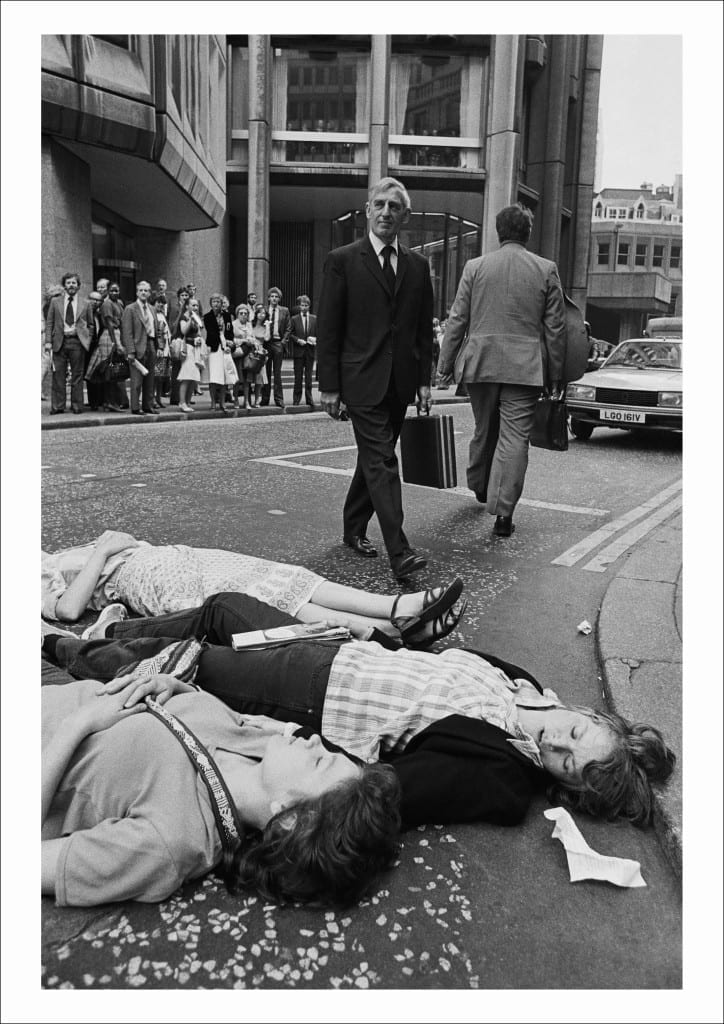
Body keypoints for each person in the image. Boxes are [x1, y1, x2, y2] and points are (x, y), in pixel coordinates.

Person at [47, 591, 676, 831]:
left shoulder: (503, 777)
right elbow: (430, 662)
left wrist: (287, 789)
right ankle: (110, 635)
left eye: (564, 765)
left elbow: (388, 791)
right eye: (574, 735)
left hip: (316, 693)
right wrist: (371, 631)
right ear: (594, 715)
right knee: (224, 609)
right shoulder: (529, 685)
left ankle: (65, 647)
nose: (554, 746)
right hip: (335, 649)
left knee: (178, 664)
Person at [41, 661, 401, 908]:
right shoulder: (257, 743)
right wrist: (172, 685)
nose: (315, 742)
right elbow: (192, 718)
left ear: (290, 817)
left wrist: (78, 725)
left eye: (320, 761)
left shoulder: (171, 841)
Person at [41, 530, 465, 647]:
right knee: (257, 598)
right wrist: (103, 549)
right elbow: (67, 611)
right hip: (143, 576)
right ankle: (389, 628)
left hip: (167, 556)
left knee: (278, 575)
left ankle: (397, 611)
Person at [316, 177, 434, 580]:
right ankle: (399, 552)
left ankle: (353, 527)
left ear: (406, 216)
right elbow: (329, 327)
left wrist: (424, 381)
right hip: (360, 380)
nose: (386, 212)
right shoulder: (343, 260)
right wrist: (328, 385)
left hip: (400, 382)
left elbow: (421, 330)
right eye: (379, 205)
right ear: (368, 211)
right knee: (383, 460)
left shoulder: (419, 266)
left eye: (394, 207)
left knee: (373, 458)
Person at [437, 203, 566, 538]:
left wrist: (444, 366)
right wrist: (555, 377)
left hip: (480, 362)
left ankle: (480, 486)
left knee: (484, 428)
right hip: (525, 367)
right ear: (527, 233)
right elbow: (555, 329)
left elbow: (457, 320)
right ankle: (503, 514)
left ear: (498, 232)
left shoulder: (476, 267)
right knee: (514, 437)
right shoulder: (545, 269)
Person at [45, 272, 92, 414]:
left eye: (74, 283)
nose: (71, 285)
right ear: (64, 285)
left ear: (78, 286)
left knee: (77, 375)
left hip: (77, 342)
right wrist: (48, 341)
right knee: (58, 375)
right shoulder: (55, 302)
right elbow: (49, 323)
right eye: (68, 282)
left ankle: (77, 405)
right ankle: (58, 406)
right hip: (60, 341)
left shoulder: (86, 303)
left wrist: (87, 338)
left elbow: (91, 324)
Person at [121, 281, 158, 415]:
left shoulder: (152, 309)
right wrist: (130, 351)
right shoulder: (130, 309)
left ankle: (148, 405)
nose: (143, 293)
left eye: (146, 290)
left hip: (151, 344)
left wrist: (157, 345)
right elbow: (127, 332)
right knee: (136, 380)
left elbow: (156, 328)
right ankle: (136, 407)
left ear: (149, 293)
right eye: (141, 290)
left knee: (150, 379)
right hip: (137, 347)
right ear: (137, 292)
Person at [203, 293, 235, 412]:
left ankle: (222, 402)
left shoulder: (227, 316)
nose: (216, 304)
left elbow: (230, 331)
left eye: (218, 302)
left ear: (222, 304)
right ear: (211, 303)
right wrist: (223, 342)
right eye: (214, 302)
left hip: (225, 349)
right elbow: (211, 333)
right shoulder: (207, 317)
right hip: (214, 348)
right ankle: (212, 402)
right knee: (213, 377)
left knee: (223, 376)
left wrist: (230, 342)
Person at [176, 297, 205, 413]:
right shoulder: (184, 317)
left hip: (195, 349)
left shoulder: (197, 318)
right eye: (193, 305)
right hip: (187, 349)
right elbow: (183, 331)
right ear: (187, 306)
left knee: (194, 377)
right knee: (187, 376)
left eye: (197, 305)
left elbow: (198, 332)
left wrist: (198, 338)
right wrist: (191, 319)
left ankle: (187, 401)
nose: (195, 308)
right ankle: (182, 402)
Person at [265, 286, 291, 408]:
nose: (274, 299)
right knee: (266, 372)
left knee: (277, 373)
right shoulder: (264, 310)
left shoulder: (284, 310)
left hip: (277, 343)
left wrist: (283, 342)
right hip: (266, 343)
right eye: (272, 296)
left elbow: (288, 328)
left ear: (279, 299)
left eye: (276, 297)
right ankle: (264, 399)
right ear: (269, 298)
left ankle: (279, 399)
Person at [290, 294, 317, 408]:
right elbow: (290, 334)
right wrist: (297, 340)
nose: (304, 307)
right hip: (299, 351)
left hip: (310, 350)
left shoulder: (314, 319)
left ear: (309, 306)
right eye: (302, 305)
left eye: (306, 305)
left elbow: (319, 333)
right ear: (299, 306)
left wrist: (315, 339)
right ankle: (296, 398)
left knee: (309, 376)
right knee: (298, 376)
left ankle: (309, 398)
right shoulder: (294, 319)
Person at [41, 284, 64, 401]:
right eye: (55, 295)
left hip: (47, 336)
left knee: (45, 363)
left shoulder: (49, 305)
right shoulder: (49, 307)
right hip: (45, 337)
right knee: (45, 363)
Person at [231, 303, 256, 408]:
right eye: (241, 313)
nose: (243, 315)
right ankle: (236, 399)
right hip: (238, 354)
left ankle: (246, 401)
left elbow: (253, 337)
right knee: (237, 379)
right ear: (237, 314)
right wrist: (244, 340)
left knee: (247, 379)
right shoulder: (233, 324)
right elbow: (232, 339)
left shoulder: (249, 325)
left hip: (248, 354)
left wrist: (251, 341)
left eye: (245, 313)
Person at [152, 292, 172, 408]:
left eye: (162, 303)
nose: (160, 305)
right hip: (159, 349)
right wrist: (159, 347)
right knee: (155, 375)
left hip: (165, 349)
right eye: (158, 302)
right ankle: (153, 398)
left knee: (161, 376)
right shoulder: (153, 314)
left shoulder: (162, 315)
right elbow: (158, 333)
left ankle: (158, 398)